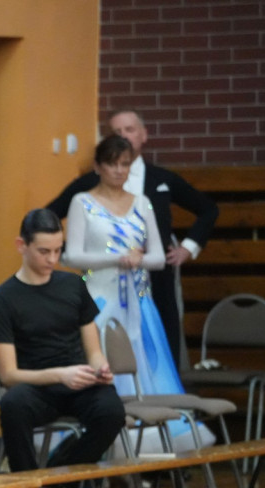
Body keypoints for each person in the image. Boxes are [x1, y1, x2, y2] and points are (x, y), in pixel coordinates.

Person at [0, 209, 126, 488]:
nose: (52, 259)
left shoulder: (73, 285)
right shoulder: (2, 299)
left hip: (78, 381)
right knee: (13, 405)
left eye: (58, 251)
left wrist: (100, 368)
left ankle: (56, 481)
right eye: (44, 251)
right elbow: (8, 375)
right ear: (22, 245)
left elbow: (92, 347)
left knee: (112, 412)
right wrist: (61, 374)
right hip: (37, 384)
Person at [46, 108, 218, 367]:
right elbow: (49, 215)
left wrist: (188, 247)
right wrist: (70, 251)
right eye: (117, 132)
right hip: (102, 281)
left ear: (144, 134)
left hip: (153, 279)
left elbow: (208, 208)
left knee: (158, 340)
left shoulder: (162, 179)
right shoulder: (87, 186)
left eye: (130, 130)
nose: (124, 136)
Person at [61, 135, 182, 397]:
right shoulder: (82, 202)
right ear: (98, 166)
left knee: (146, 363)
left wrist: (138, 260)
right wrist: (119, 259)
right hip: (99, 299)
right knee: (100, 358)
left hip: (139, 300)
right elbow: (73, 256)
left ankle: (149, 427)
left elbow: (158, 258)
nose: (119, 170)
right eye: (112, 164)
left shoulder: (142, 202)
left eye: (125, 164)